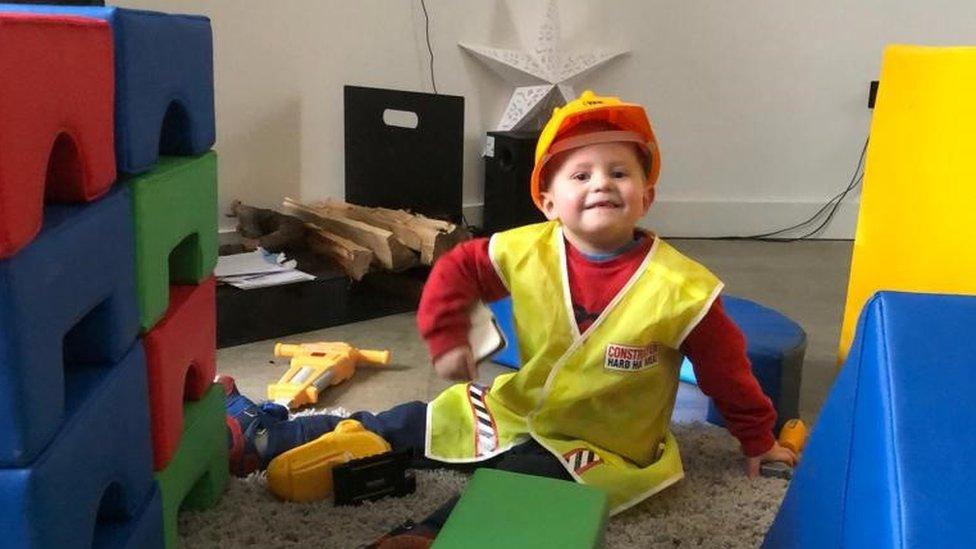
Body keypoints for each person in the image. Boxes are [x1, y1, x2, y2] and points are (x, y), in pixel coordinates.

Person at [223, 90, 795, 544]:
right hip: (515, 408)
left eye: (620, 172)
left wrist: (757, 440)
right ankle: (266, 436)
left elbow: (728, 371)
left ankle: (427, 535)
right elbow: (456, 271)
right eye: (580, 175)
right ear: (547, 202)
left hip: (604, 449)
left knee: (526, 489)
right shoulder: (524, 248)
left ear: (647, 196)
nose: (601, 183)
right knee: (411, 421)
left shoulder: (682, 289)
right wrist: (448, 335)